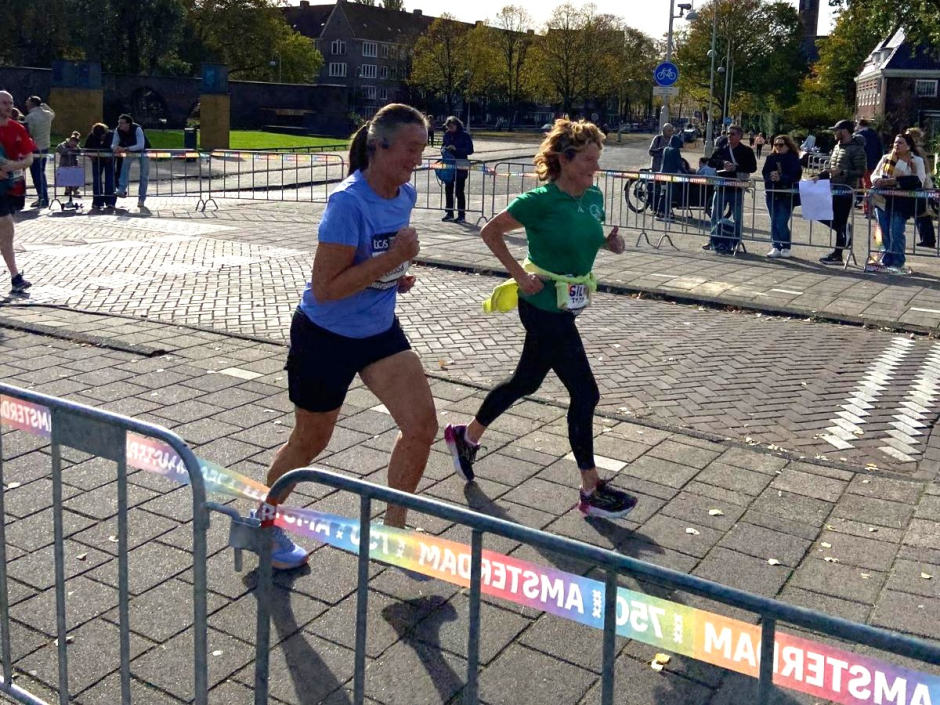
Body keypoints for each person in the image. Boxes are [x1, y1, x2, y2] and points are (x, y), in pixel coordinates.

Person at [257, 103, 435, 570]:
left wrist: (397, 272)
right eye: (410, 150)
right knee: (309, 442)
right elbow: (327, 288)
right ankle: (264, 525)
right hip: (325, 335)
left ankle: (392, 532)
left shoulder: (405, 196)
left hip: (378, 330)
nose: (416, 160)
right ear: (380, 147)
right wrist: (391, 257)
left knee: (421, 427)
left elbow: (378, 262)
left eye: (422, 150)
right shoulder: (348, 202)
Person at [443, 119, 638, 520]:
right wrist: (519, 275)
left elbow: (584, 234)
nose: (594, 168)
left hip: (566, 305)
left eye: (596, 160)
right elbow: (491, 233)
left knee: (526, 381)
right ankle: (590, 489)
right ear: (565, 160)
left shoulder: (593, 196)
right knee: (585, 394)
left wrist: (608, 242)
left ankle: (466, 437)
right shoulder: (540, 200)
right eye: (587, 160)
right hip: (542, 306)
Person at [870, 132, 926, 272]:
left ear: (908, 146)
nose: (897, 145)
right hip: (882, 199)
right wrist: (878, 180)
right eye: (895, 142)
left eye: (900, 143)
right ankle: (886, 259)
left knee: (896, 231)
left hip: (902, 202)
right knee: (883, 231)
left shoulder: (915, 161)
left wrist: (895, 182)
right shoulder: (886, 158)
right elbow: (874, 174)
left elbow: (919, 179)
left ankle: (898, 261)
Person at [0, 91, 36, 294]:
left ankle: (15, 277)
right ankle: (15, 276)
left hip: (7, 188)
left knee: (7, 231)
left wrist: (13, 166)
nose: (8, 106)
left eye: (10, 102)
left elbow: (29, 158)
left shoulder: (17, 128)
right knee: (5, 224)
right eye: (4, 103)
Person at [817, 119, 867, 265]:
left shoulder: (857, 149)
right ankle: (844, 231)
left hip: (846, 190)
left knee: (840, 219)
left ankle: (838, 254)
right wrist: (823, 174)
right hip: (833, 187)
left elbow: (861, 171)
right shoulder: (838, 146)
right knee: (821, 213)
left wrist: (843, 172)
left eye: (836, 130)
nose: (834, 133)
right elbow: (834, 167)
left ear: (844, 131)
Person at [705, 125, 757, 253]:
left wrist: (736, 167)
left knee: (737, 217)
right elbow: (711, 162)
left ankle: (736, 242)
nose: (730, 136)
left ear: (740, 136)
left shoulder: (746, 151)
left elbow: (752, 167)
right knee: (715, 215)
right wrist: (722, 164)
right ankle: (713, 239)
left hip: (737, 189)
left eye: (733, 134)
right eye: (728, 133)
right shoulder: (722, 149)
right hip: (721, 187)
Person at [762, 134, 802, 258]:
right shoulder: (771, 157)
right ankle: (776, 246)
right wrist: (771, 177)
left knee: (781, 221)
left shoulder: (793, 158)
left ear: (788, 146)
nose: (778, 147)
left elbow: (796, 176)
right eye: (775, 144)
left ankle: (786, 246)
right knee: (773, 221)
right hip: (772, 193)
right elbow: (765, 173)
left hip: (787, 194)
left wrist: (781, 178)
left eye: (781, 145)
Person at [112, 114, 151, 209]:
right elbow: (114, 143)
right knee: (124, 169)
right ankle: (121, 189)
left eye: (122, 123)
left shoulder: (137, 129)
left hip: (143, 152)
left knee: (144, 175)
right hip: (129, 151)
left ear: (128, 124)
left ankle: (141, 199)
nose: (119, 125)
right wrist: (115, 148)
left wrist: (125, 149)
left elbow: (140, 145)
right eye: (119, 123)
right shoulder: (118, 130)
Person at [441, 116, 474, 224]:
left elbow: (470, 150)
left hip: (462, 163)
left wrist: (457, 149)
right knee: (448, 189)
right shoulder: (446, 134)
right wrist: (444, 150)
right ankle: (449, 213)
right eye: (448, 127)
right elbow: (442, 146)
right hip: (449, 163)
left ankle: (461, 215)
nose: (450, 129)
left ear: (457, 125)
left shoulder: (464, 135)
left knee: (459, 190)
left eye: (452, 127)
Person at [23, 96, 55, 209]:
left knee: (36, 174)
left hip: (35, 148)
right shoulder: (47, 114)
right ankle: (44, 197)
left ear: (32, 103)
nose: (26, 103)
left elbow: (28, 133)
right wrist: (44, 105)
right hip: (45, 146)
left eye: (28, 101)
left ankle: (42, 198)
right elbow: (53, 113)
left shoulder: (30, 117)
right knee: (42, 173)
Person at [85, 123, 117, 211]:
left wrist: (110, 156)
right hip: (96, 160)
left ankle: (110, 201)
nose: (101, 138)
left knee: (110, 179)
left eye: (102, 136)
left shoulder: (112, 135)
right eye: (98, 136)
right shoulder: (91, 136)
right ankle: (97, 201)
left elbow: (117, 147)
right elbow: (86, 149)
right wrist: (91, 156)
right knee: (96, 180)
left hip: (109, 160)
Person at [657, 134, 686, 220]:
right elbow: (679, 164)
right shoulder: (675, 150)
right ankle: (666, 214)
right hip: (670, 176)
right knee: (669, 195)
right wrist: (685, 172)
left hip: (663, 175)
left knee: (663, 194)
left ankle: (659, 212)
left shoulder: (666, 149)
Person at [855, 118, 883, 202]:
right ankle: (869, 205)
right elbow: (880, 149)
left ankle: (866, 206)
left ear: (859, 125)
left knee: (863, 184)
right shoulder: (876, 134)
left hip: (863, 163)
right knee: (870, 184)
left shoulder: (858, 135)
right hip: (874, 163)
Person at [54, 131, 82, 207]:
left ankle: (74, 190)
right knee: (65, 178)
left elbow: (79, 151)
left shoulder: (76, 146)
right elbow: (59, 148)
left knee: (74, 178)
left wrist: (75, 150)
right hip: (64, 165)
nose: (73, 143)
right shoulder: (63, 144)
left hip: (73, 165)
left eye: (75, 142)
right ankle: (67, 190)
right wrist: (67, 151)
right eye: (72, 141)